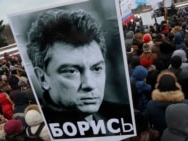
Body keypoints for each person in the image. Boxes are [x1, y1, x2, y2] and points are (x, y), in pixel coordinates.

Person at [26, 9, 133, 139]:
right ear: (42, 78)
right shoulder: (40, 134)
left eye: (97, 68)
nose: (90, 84)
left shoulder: (127, 116)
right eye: (71, 71)